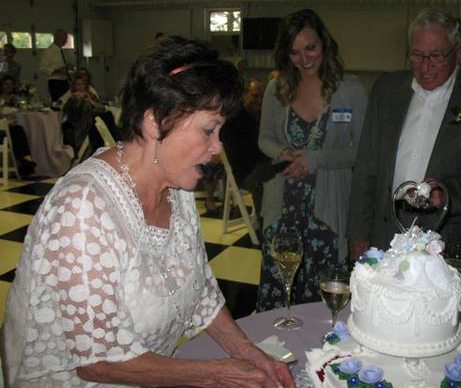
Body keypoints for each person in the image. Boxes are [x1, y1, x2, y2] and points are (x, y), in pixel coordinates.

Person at [1, 36, 294, 388]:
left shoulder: (175, 189)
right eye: (208, 130)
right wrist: (219, 373)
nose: (217, 148)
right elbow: (99, 361)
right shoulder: (83, 209)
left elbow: (200, 292)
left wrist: (249, 353)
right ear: (155, 122)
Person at [348, 9, 461, 261]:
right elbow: (366, 167)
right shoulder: (386, 90)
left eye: (436, 56)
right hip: (383, 234)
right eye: (416, 55)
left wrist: (448, 194)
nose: (425, 66)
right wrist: (358, 233)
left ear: (460, 51)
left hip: (445, 239)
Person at [257, 9, 368, 310]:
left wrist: (315, 159)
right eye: (294, 52)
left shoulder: (351, 90)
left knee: (321, 298)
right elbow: (264, 139)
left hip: (326, 212)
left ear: (324, 43)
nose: (304, 59)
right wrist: (282, 153)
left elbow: (361, 151)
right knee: (281, 294)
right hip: (283, 208)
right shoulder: (277, 89)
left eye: (310, 48)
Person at [220, 78, 269, 219]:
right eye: (255, 96)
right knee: (265, 179)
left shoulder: (262, 116)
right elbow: (237, 157)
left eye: (262, 97)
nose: (259, 101)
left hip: (259, 167)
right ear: (245, 95)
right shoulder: (233, 120)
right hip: (242, 174)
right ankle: (264, 224)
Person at [0, 75, 36, 176]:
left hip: (9, 127)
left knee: (17, 130)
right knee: (16, 131)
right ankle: (26, 159)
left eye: (11, 84)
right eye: (6, 84)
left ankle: (25, 160)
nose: (8, 86)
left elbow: (22, 109)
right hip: (2, 129)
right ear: (1, 85)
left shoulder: (16, 98)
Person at [39, 28, 72, 103]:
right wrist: (57, 71)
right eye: (64, 39)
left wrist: (68, 67)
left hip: (64, 81)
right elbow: (42, 68)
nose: (66, 41)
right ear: (57, 38)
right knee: (58, 103)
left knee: (66, 102)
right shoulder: (49, 51)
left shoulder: (62, 51)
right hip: (55, 82)